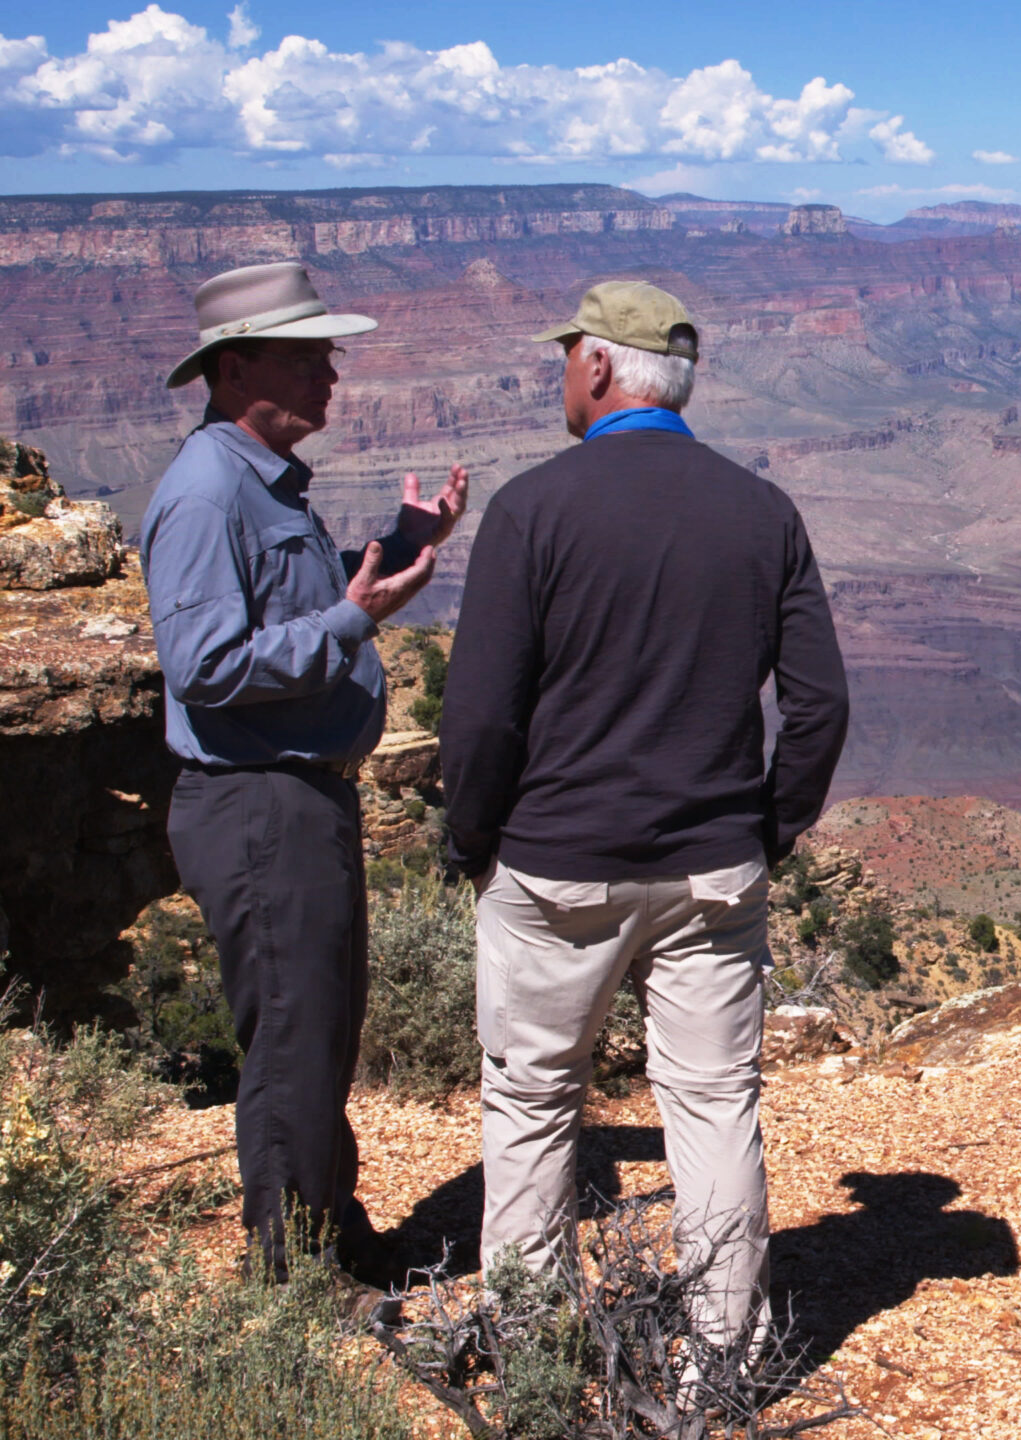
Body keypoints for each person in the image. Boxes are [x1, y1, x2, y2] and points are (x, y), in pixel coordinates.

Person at [440, 281, 849, 1343]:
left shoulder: (532, 510)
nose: (558, 374)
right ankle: (722, 1354)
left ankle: (532, 1348)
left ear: (598, 368)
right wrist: (773, 828)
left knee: (533, 1106)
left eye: (565, 355)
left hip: (556, 869)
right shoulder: (763, 513)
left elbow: (480, 715)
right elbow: (821, 704)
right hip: (713, 869)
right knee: (713, 1107)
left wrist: (472, 837)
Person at [139, 260, 469, 1282]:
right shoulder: (206, 495)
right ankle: (292, 1278)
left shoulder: (261, 482)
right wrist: (351, 619)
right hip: (257, 802)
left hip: (297, 799)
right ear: (236, 371)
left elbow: (290, 611)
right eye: (307, 355)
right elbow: (204, 666)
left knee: (319, 1030)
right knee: (291, 1036)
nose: (332, 373)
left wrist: (399, 547)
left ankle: (337, 1236)